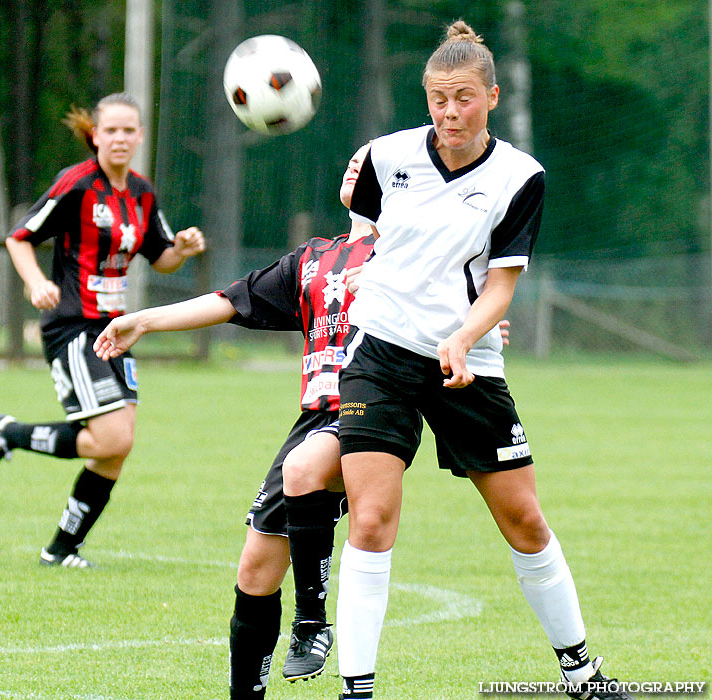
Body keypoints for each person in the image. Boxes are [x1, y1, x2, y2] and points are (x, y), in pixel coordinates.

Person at [91, 146, 512, 698]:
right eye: (351, 161)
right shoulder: (314, 258)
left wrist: (475, 330)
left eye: (371, 164)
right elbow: (228, 300)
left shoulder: (413, 251)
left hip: (380, 408)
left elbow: (473, 306)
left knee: (304, 467)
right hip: (315, 417)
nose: (356, 166)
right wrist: (144, 320)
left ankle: (313, 622)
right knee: (255, 572)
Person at [334, 21, 633, 700]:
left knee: (523, 518)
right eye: (438, 99)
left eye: (463, 98)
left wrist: (465, 338)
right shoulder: (386, 155)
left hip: (466, 361)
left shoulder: (520, 176)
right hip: (380, 350)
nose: (448, 112)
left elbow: (501, 285)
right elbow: (365, 226)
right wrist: (361, 264)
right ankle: (357, 689)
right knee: (372, 517)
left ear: (492, 96)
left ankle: (582, 674)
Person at [0, 93, 206, 568]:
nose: (120, 138)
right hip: (73, 325)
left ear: (140, 136)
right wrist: (36, 282)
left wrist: (180, 249)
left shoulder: (142, 193)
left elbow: (160, 258)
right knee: (112, 438)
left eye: (129, 130)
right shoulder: (77, 184)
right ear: (95, 135)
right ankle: (9, 433)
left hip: (118, 329)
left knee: (114, 451)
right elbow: (19, 238)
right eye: (112, 130)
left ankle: (62, 549)